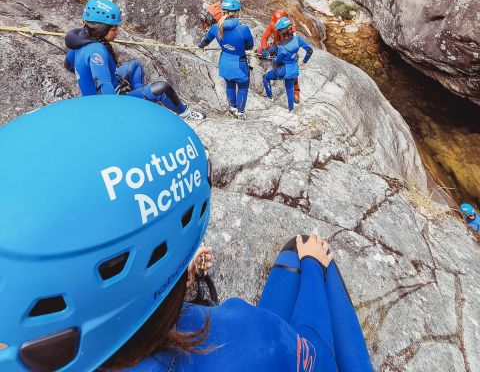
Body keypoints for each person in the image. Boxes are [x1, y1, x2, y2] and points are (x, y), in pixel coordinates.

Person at [0, 97, 374, 372]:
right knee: (303, 253)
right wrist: (312, 268)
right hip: (270, 349)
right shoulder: (246, 341)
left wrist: (172, 276)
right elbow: (318, 354)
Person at [65, 0, 205, 120]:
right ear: (101, 28)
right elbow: (104, 87)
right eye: (114, 29)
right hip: (109, 104)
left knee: (134, 65)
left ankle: (140, 100)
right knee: (163, 88)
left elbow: (69, 66)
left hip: (100, 96)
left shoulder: (79, 44)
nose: (117, 32)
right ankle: (184, 113)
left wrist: (88, 80)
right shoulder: (97, 51)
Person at [198, 0, 253, 120]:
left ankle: (232, 109)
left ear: (222, 11)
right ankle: (240, 113)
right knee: (243, 88)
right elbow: (249, 46)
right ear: (237, 12)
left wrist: (200, 47)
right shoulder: (244, 29)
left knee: (230, 86)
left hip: (225, 62)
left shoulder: (214, 28)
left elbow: (205, 41)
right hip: (239, 63)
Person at [263, 16, 313, 112]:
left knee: (266, 77)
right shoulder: (298, 39)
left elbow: (277, 61)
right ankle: (291, 109)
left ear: (282, 32)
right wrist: (304, 61)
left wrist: (272, 59)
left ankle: (270, 98)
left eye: (279, 31)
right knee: (289, 89)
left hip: (283, 70)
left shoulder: (281, 47)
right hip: (294, 69)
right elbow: (310, 50)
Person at [258, 9, 301, 103]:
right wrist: (265, 48)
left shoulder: (291, 28)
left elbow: (294, 44)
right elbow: (264, 37)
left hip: (286, 50)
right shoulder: (273, 25)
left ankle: (296, 91)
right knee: (260, 50)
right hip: (277, 46)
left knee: (293, 70)